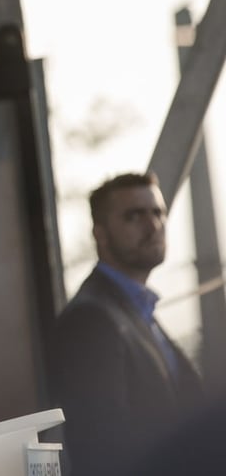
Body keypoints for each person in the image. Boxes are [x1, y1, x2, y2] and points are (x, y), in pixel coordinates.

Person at [48, 172, 203, 476]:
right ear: (101, 234)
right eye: (134, 216)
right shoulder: (90, 319)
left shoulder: (138, 310)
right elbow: (102, 447)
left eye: (158, 212)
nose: (153, 225)